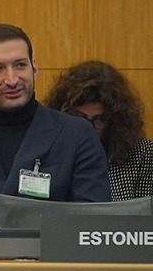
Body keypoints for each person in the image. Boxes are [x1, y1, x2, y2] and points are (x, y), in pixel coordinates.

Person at [0, 23, 110, 228]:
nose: (12, 80)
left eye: (20, 65)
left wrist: (4, 212)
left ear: (34, 68)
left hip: (50, 249)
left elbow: (94, 221)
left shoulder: (76, 134)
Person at [43, 60, 153, 200]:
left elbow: (144, 210)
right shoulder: (48, 149)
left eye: (100, 119)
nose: (88, 128)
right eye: (79, 117)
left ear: (115, 121)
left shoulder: (143, 154)